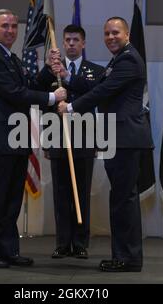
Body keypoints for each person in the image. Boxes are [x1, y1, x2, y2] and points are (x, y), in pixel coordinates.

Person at [0, 9, 66, 269]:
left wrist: (48, 68)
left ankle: (6, 249)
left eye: (13, 26)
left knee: (11, 200)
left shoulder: (11, 58)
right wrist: (51, 98)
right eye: (4, 26)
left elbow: (31, 83)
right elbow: (14, 93)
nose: (10, 30)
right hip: (2, 138)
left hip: (18, 137)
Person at [54, 17, 153, 272]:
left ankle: (128, 258)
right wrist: (67, 76)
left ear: (127, 34)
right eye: (107, 33)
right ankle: (124, 256)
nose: (110, 37)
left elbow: (103, 91)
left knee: (123, 199)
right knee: (121, 198)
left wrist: (72, 107)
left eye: (115, 32)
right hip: (118, 137)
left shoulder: (129, 59)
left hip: (125, 138)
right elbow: (96, 84)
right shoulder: (119, 59)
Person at [38, 25, 104, 259]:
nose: (71, 44)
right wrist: (46, 140)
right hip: (58, 138)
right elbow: (41, 98)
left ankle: (80, 243)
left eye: (76, 40)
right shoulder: (51, 71)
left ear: (84, 43)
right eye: (67, 40)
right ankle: (63, 243)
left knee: (82, 192)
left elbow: (96, 92)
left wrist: (68, 77)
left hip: (85, 139)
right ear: (62, 43)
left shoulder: (94, 70)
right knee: (61, 192)